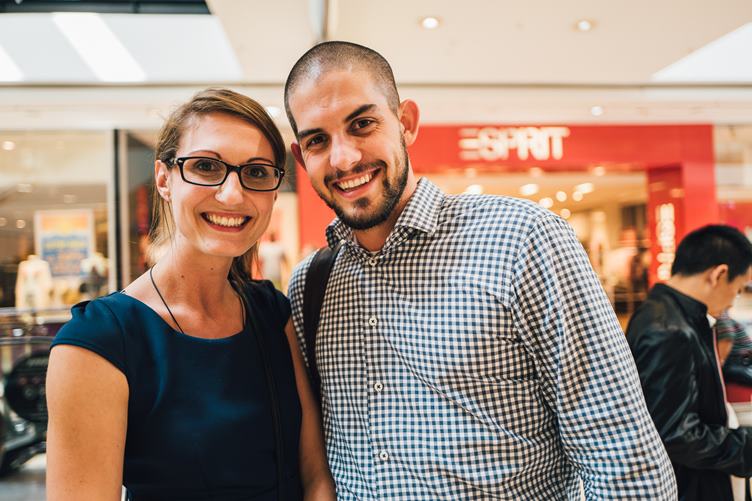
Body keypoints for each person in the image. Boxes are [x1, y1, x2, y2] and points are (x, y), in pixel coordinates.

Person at [284, 41, 676, 499]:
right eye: (318, 140)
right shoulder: (310, 284)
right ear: (301, 157)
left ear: (406, 122)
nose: (344, 158)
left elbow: (623, 458)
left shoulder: (523, 240)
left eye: (362, 124)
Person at [46, 89, 335, 501]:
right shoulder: (100, 341)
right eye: (205, 166)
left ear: (273, 191)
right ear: (164, 179)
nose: (232, 194)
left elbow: (316, 477)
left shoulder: (271, 312)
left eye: (256, 172)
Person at [626, 224, 752, 501]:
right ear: (719, 274)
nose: (734, 300)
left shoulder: (668, 314)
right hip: (689, 486)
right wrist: (745, 449)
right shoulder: (669, 330)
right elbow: (677, 434)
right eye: (739, 288)